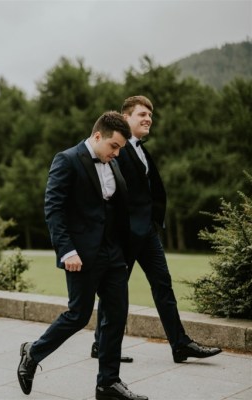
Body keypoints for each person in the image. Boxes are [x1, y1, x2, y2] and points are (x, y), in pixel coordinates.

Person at [17, 112, 148, 400]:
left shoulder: (112, 161)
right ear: (97, 136)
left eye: (120, 149)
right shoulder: (67, 159)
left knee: (116, 315)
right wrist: (67, 250)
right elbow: (53, 209)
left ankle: (108, 384)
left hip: (114, 253)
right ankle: (33, 351)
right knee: (78, 315)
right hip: (81, 254)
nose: (116, 153)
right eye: (113, 147)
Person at [91, 96, 222, 364]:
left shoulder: (140, 149)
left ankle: (180, 344)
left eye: (150, 114)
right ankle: (100, 345)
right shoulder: (115, 149)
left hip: (147, 232)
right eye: (142, 114)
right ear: (125, 118)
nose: (148, 118)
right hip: (124, 234)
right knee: (114, 290)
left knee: (163, 285)